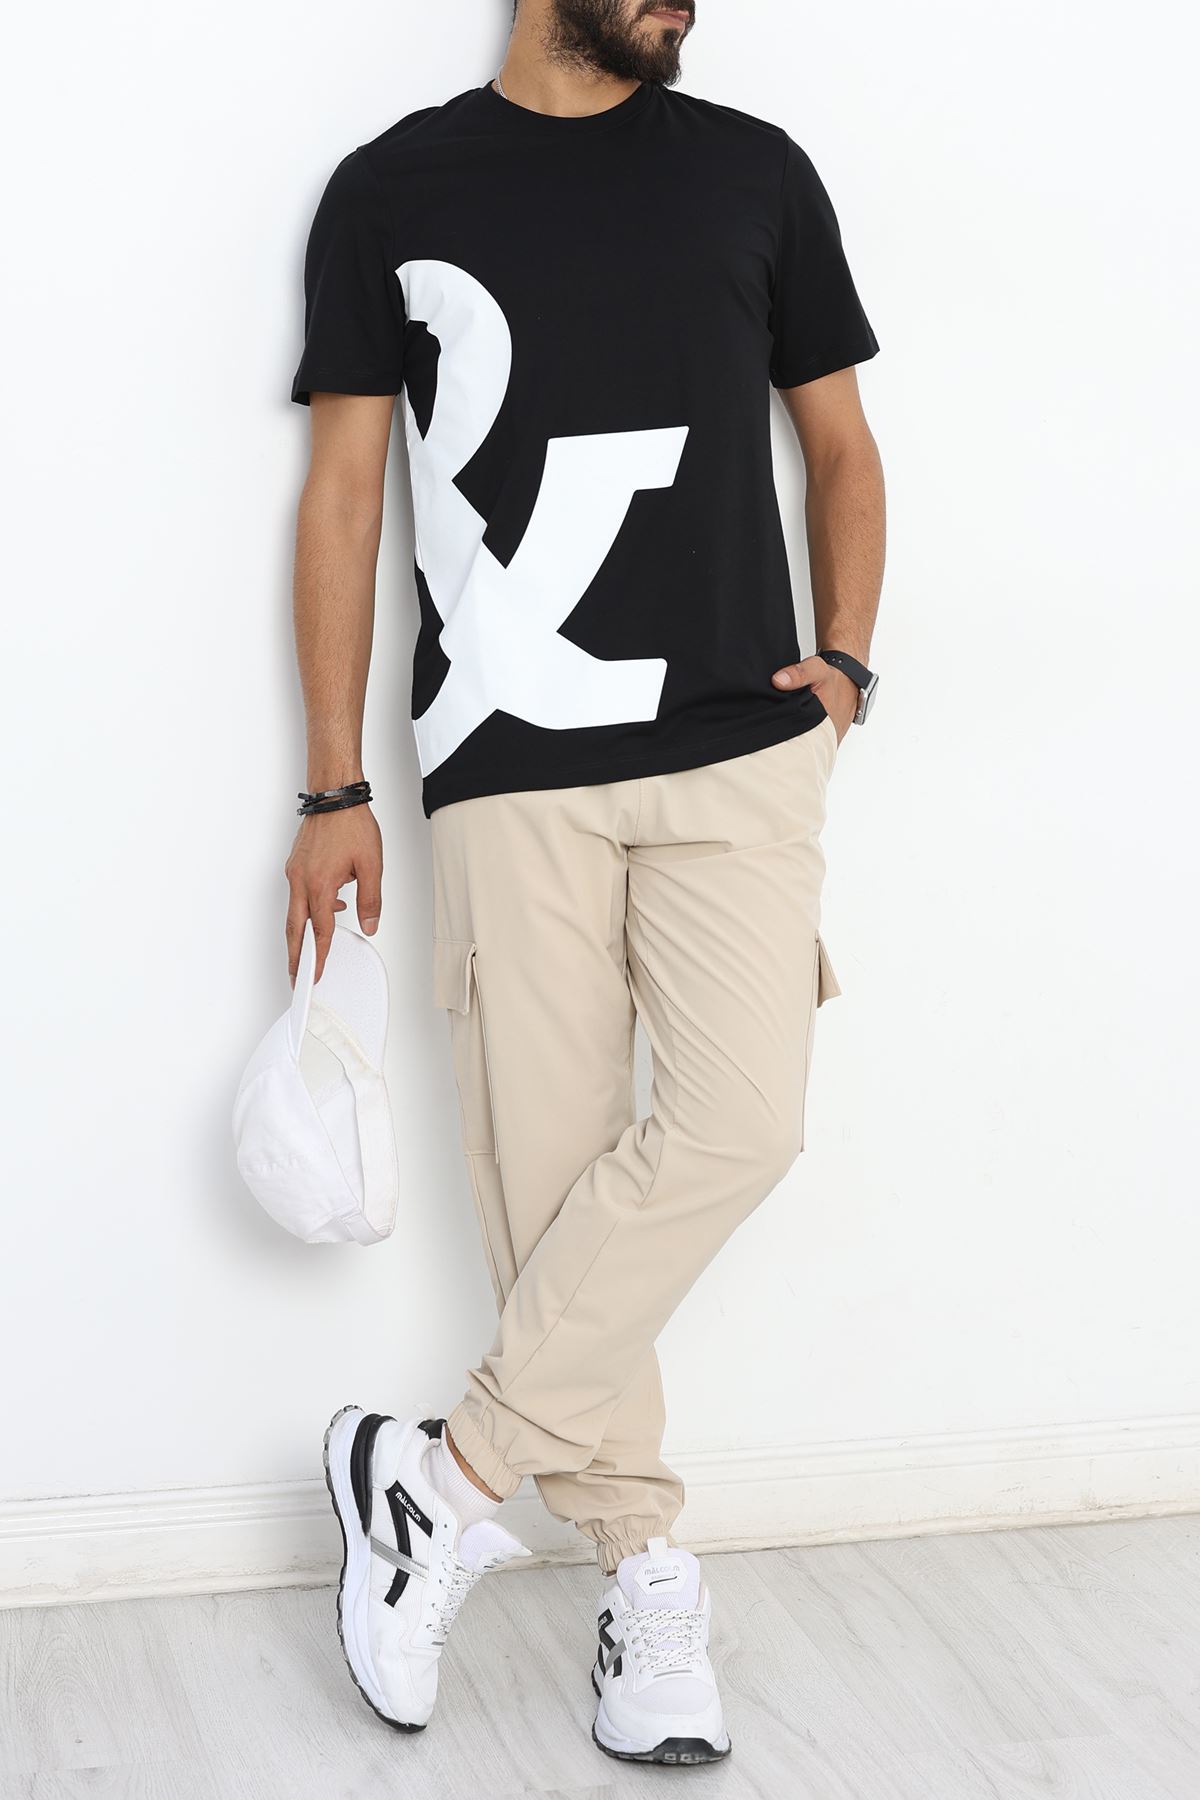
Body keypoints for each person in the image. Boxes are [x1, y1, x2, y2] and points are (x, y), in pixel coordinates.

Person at [287, 0, 884, 1766]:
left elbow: (841, 443)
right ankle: (641, 1573)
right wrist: (331, 786)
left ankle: (440, 1480)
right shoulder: (392, 189)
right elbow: (343, 497)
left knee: (739, 1123)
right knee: (554, 1183)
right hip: (506, 756)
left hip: (737, 744)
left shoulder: (756, 175)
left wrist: (848, 666)